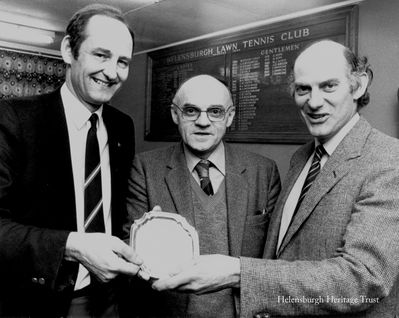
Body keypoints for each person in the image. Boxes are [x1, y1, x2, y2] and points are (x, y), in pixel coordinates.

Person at [151, 40, 399, 318]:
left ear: (360, 85)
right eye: (303, 89)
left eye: (329, 86)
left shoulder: (389, 159)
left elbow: (363, 281)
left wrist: (238, 273)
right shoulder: (302, 157)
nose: (314, 102)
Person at [0, 4, 142, 317]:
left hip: (112, 298)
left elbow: (119, 209)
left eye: (123, 62)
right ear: (68, 50)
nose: (112, 72)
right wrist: (73, 245)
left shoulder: (123, 126)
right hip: (42, 301)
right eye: (101, 55)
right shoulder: (13, 119)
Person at [126, 74, 281, 317]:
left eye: (215, 111)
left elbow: (273, 257)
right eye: (191, 111)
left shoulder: (264, 171)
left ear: (229, 116)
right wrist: (149, 240)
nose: (203, 121)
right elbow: (130, 247)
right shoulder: (146, 168)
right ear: (175, 114)